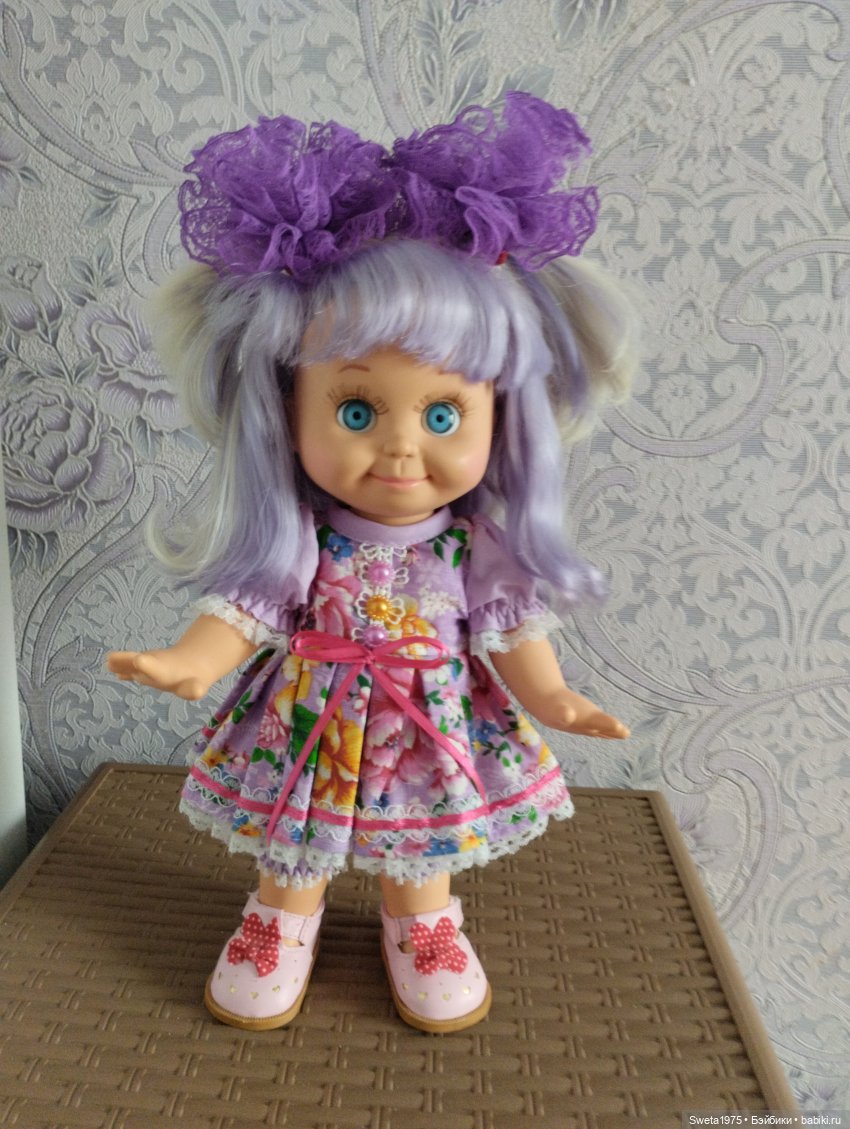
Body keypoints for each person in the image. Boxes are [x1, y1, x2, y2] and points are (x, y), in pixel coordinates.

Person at [107, 92, 638, 1034]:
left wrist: (555, 698)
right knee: (294, 833)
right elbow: (249, 604)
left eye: (443, 414)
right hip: (310, 714)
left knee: (419, 839)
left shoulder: (472, 548)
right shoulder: (303, 535)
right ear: (289, 414)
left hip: (427, 722)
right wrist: (187, 662)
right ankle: (281, 917)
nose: (400, 446)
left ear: (498, 417)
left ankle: (422, 922)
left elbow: (512, 629)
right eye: (356, 411)